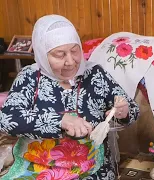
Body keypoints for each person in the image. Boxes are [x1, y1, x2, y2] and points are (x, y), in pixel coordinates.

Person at [0, 14, 139, 179]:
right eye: (60, 55)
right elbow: (7, 119)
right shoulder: (30, 77)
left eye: (75, 51)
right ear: (43, 55)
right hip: (37, 167)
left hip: (90, 169)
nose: (71, 62)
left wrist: (124, 112)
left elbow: (132, 110)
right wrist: (61, 121)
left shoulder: (95, 74)